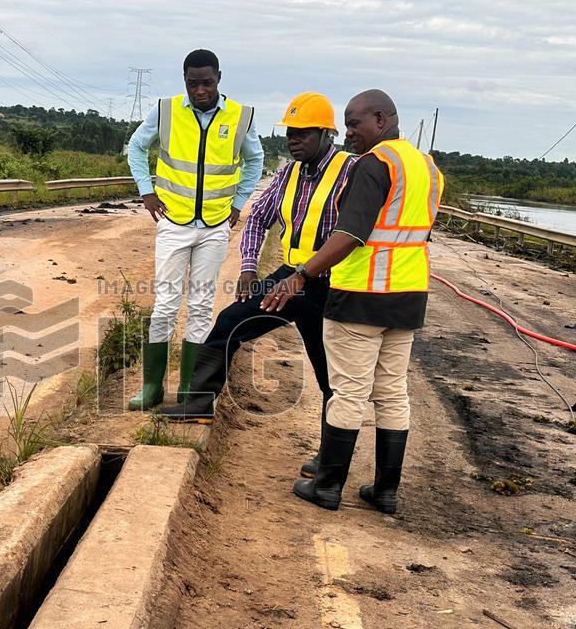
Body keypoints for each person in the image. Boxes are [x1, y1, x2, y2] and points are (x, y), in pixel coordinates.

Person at [261, 89, 444, 513]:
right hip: (408, 294)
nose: (348, 135)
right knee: (392, 392)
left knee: (348, 391)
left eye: (354, 124)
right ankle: (385, 492)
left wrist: (301, 274)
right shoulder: (428, 168)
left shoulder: (373, 165)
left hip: (361, 295)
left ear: (381, 120)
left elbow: (351, 234)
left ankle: (327, 487)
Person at [159, 93, 355, 478]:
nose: (293, 140)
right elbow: (258, 219)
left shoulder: (350, 171)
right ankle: (199, 402)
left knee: (330, 375)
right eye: (290, 133)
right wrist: (249, 268)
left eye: (302, 133)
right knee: (230, 322)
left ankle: (330, 460)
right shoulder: (288, 172)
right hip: (290, 279)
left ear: (325, 133)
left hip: (331, 286)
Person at [125, 49, 264, 410]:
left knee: (201, 305)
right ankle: (152, 388)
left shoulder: (239, 116)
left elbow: (255, 160)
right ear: (184, 80)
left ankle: (190, 388)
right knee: (165, 304)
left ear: (219, 77)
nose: (199, 90)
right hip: (174, 221)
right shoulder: (167, 110)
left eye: (207, 82)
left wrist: (238, 204)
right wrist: (146, 190)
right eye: (192, 83)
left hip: (216, 225)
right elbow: (136, 148)